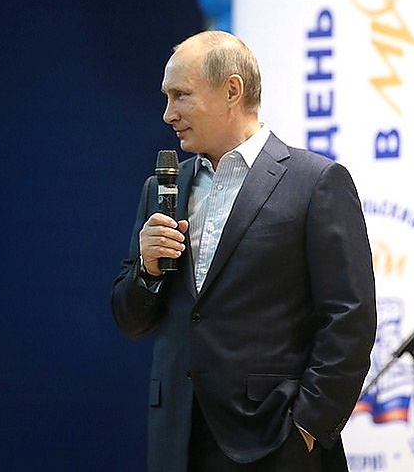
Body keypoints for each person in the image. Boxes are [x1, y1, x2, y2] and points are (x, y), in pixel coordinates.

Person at [111, 30, 376, 472]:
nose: (167, 113)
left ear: (232, 90)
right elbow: (130, 319)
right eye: (166, 97)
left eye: (181, 95)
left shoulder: (315, 182)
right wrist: (147, 270)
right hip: (176, 440)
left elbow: (350, 318)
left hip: (274, 442)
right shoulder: (161, 189)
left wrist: (308, 428)